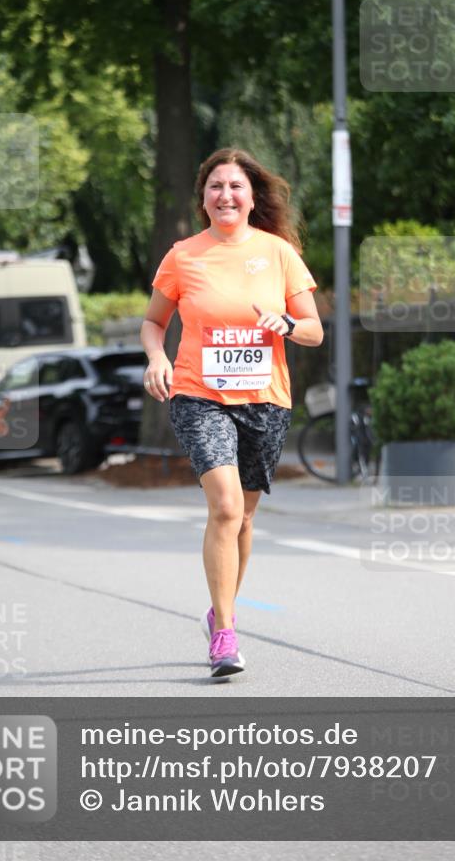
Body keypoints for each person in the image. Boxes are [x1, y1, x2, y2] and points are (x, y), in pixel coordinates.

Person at [140, 148, 323, 680]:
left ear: (251, 197)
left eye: (235, 186)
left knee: (243, 518)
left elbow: (314, 329)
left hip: (265, 398)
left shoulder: (278, 253)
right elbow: (154, 322)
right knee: (223, 508)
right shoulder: (183, 255)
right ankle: (225, 634)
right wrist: (158, 357)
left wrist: (285, 324)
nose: (226, 195)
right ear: (203, 198)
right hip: (201, 394)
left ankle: (220, 610)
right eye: (216, 186)